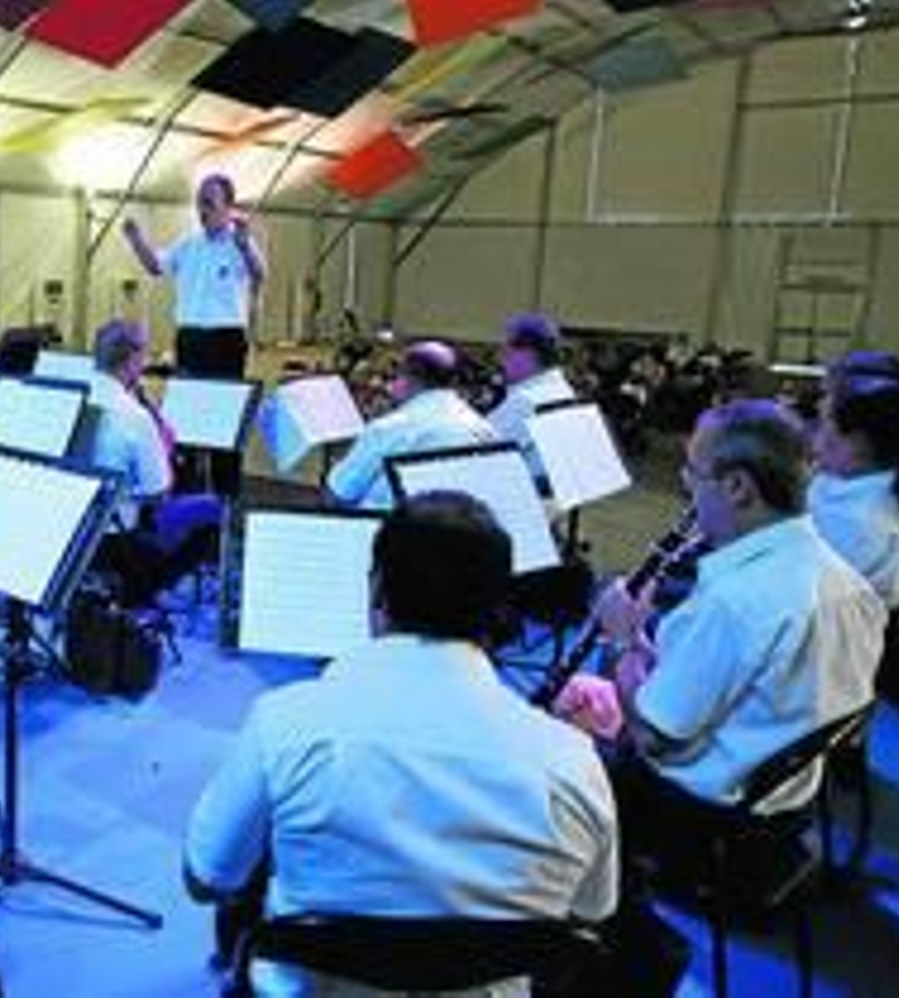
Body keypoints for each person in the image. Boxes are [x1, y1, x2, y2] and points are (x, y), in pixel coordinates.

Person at [186, 492, 617, 997]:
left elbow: (207, 879)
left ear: (376, 593)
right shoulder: (572, 760)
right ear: (498, 610)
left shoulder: (285, 722)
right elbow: (592, 910)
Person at [553, 399, 886, 993]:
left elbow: (657, 735)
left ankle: (616, 947)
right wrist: (642, 668)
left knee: (550, 762)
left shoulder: (735, 603)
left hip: (703, 826)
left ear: (737, 488)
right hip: (785, 806)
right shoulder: (847, 583)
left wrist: (626, 637)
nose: (686, 486)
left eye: (693, 473)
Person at [123, 173, 265, 495]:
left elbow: (259, 275)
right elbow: (155, 266)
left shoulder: (239, 243)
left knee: (224, 428)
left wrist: (244, 245)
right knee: (185, 423)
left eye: (209, 203)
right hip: (190, 340)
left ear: (229, 207)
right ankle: (186, 497)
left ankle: (226, 499)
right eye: (199, 202)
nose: (202, 210)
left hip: (226, 341)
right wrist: (135, 239)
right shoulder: (188, 243)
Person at [78, 319, 218, 607]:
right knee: (214, 508)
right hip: (114, 538)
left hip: (71, 528)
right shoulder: (133, 415)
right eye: (143, 356)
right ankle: (143, 593)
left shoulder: (73, 395)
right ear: (132, 359)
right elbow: (158, 492)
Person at [808, 350, 899, 610]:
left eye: (823, 421)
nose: (814, 433)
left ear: (857, 443)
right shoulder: (842, 479)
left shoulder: (859, 528)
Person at [325, 340, 498, 510]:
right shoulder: (484, 429)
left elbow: (338, 495)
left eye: (394, 376)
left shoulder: (391, 427)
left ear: (406, 378)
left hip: (387, 531)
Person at [487, 312, 577, 482]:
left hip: (522, 496)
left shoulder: (528, 400)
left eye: (507, 349)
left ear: (529, 354)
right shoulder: (562, 389)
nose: (500, 358)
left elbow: (478, 450)